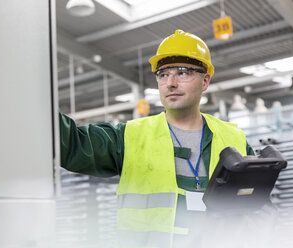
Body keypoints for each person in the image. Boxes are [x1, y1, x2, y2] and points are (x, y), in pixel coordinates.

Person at [60, 30, 255, 248]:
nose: (170, 83)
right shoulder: (129, 137)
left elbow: (258, 206)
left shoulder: (235, 139)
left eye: (183, 73)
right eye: (163, 74)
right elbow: (72, 144)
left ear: (205, 81)